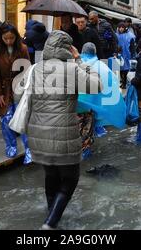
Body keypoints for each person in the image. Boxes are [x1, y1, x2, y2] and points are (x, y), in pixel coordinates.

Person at [15, 30, 102, 230]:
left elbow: (20, 96)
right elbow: (97, 86)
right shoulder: (71, 69)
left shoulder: (35, 69)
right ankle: (50, 223)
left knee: (51, 175)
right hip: (63, 133)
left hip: (37, 134)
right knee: (71, 179)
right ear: (67, 49)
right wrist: (79, 60)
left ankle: (51, 211)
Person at [0, 22, 31, 160]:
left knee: (23, 117)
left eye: (11, 38)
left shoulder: (22, 48)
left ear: (16, 37)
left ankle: (29, 149)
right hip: (3, 88)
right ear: (1, 37)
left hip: (19, 86)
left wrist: (26, 89)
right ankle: (11, 146)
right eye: (5, 38)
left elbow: (27, 70)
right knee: (6, 119)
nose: (8, 41)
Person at [77, 42, 126, 156]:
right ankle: (85, 158)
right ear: (94, 52)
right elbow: (113, 84)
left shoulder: (75, 64)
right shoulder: (102, 67)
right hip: (91, 109)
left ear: (82, 51)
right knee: (87, 135)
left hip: (75, 107)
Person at [116, 22, 136, 89]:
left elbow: (132, 46)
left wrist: (133, 54)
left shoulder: (130, 36)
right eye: (120, 27)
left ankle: (125, 82)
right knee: (120, 69)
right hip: (119, 55)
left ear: (125, 28)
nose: (121, 29)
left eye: (122, 27)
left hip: (127, 55)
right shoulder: (116, 35)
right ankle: (122, 82)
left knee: (126, 69)